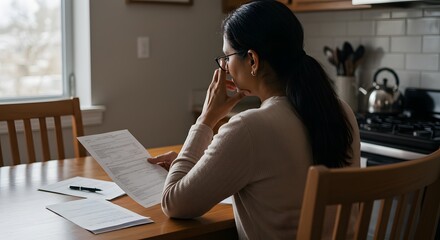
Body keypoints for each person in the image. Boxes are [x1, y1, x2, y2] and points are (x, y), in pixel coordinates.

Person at [148, 1, 360, 239]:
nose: (225, 67)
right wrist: (196, 167)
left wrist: (206, 119)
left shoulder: (248, 128)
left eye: (226, 56)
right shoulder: (341, 111)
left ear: (252, 60)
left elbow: (173, 203)